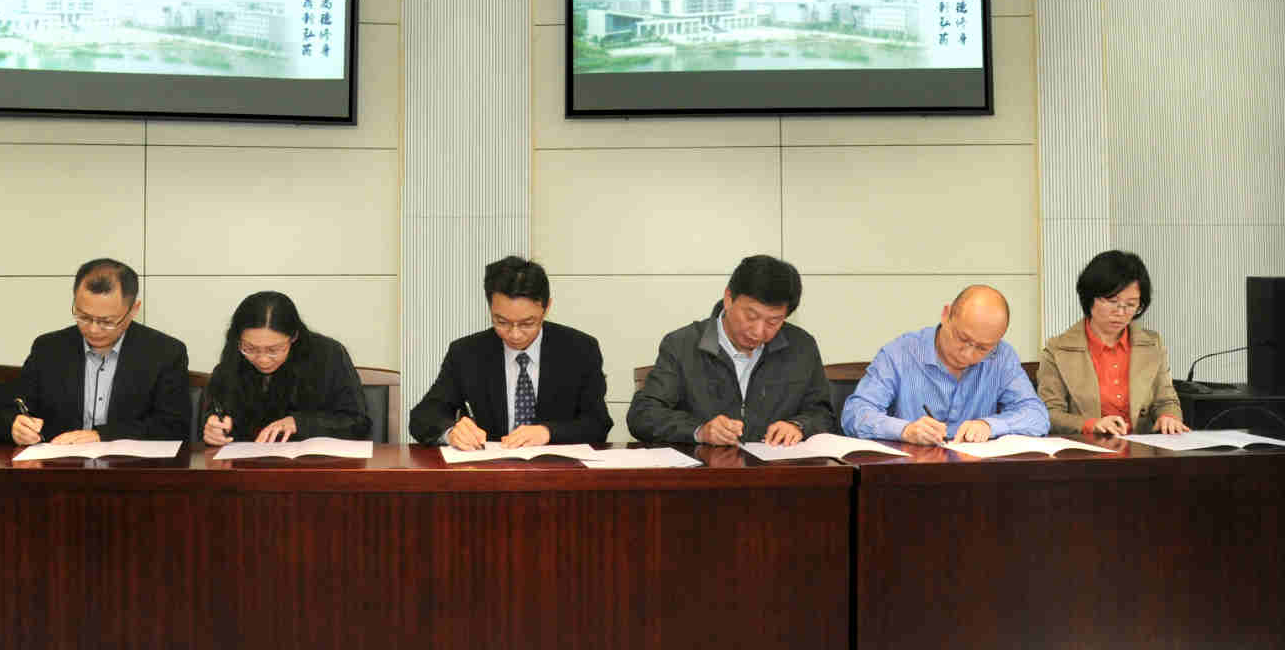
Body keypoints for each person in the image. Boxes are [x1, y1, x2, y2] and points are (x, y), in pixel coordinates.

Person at [628, 254, 832, 447]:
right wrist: (699, 431)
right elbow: (643, 414)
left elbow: (823, 414)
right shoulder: (682, 345)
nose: (758, 331)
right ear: (728, 298)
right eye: (751, 316)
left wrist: (799, 426)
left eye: (773, 322)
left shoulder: (801, 347)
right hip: (706, 468)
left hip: (776, 468)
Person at [409, 256, 610, 449]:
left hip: (557, 468)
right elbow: (423, 416)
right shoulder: (467, 353)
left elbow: (598, 423)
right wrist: (451, 432)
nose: (515, 334)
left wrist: (548, 432)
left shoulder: (580, 350)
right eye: (502, 322)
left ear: (546, 307)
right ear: (490, 307)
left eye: (527, 323)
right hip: (489, 467)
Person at [0, 259, 190, 445]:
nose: (93, 329)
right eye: (83, 317)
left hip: (131, 465)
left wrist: (102, 436)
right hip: (57, 463)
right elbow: (9, 409)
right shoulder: (48, 349)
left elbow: (173, 427)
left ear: (133, 310)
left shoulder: (165, 353)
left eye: (107, 321)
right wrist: (15, 426)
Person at [841, 284, 1047, 444]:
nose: (967, 354)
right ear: (946, 315)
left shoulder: (1002, 356)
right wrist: (904, 430)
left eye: (982, 348)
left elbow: (1037, 415)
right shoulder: (900, 353)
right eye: (962, 339)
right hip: (909, 474)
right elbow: (855, 413)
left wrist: (989, 425)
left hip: (976, 474)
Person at [1038, 250, 1189, 436]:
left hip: (1142, 447)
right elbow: (1049, 414)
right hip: (1087, 447)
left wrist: (1169, 417)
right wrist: (1090, 424)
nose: (1121, 312)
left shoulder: (1152, 344)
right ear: (1090, 298)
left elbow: (1166, 401)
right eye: (1112, 301)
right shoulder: (1057, 350)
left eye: (1131, 304)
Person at [200, 291, 369, 444]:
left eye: (274, 350)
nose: (263, 360)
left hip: (317, 464)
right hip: (248, 464)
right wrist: (215, 430)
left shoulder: (328, 355)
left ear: (294, 336)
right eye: (250, 348)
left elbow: (357, 422)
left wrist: (300, 423)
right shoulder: (234, 357)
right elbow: (218, 413)